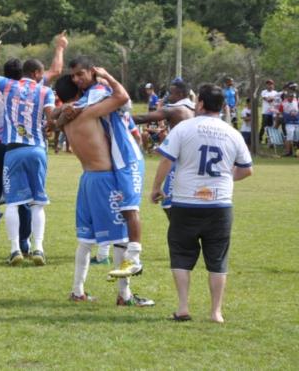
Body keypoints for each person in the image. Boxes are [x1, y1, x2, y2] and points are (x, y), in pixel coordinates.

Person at [151, 84, 253, 323]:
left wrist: (156, 188)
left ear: (200, 104)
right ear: (223, 106)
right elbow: (247, 170)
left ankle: (183, 307)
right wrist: (226, 178)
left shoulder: (185, 128)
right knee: (217, 259)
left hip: (186, 202)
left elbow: (166, 161)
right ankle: (216, 312)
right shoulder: (232, 133)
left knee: (181, 254)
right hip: (220, 204)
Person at [54, 73, 154, 307]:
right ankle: (125, 295)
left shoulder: (67, 119)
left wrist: (59, 112)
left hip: (87, 179)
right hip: (105, 179)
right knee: (120, 238)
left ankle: (77, 290)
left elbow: (54, 119)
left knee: (86, 240)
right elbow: (120, 98)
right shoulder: (88, 112)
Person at [63, 56, 144, 279]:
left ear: (93, 72)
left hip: (128, 158)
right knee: (123, 213)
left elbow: (123, 98)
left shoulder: (101, 88)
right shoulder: (90, 97)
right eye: (73, 77)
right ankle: (123, 276)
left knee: (129, 209)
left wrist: (107, 76)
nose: (77, 79)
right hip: (114, 162)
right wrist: (62, 112)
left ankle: (134, 259)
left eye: (80, 74)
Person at [0, 43, 55, 266]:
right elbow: (52, 117)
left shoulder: (7, 86)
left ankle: (14, 250)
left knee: (13, 202)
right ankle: (37, 247)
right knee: (37, 202)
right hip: (37, 149)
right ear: (38, 73)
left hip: (13, 149)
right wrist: (52, 124)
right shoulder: (45, 91)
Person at [132, 79, 195, 217]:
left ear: (179, 93)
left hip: (179, 161)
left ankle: (181, 233)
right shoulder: (197, 109)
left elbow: (144, 117)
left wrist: (120, 117)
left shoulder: (174, 109)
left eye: (170, 93)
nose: (168, 97)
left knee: (168, 203)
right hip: (194, 162)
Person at [276, 90, 298, 157]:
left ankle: (296, 153)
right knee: (289, 137)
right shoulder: (283, 104)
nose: (292, 98)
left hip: (297, 122)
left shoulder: (296, 101)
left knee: (297, 138)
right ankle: (288, 152)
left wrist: (296, 113)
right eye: (290, 96)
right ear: (287, 97)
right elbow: (279, 113)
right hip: (289, 123)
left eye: (293, 96)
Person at [258, 79, 280, 144]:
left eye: (271, 84)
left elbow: (276, 100)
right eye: (268, 84)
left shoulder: (276, 92)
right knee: (263, 125)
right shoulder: (263, 92)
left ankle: (268, 140)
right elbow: (267, 100)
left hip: (273, 112)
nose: (270, 85)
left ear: (273, 85)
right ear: (266, 85)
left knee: (271, 126)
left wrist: (271, 98)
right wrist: (272, 98)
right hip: (265, 112)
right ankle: (259, 138)